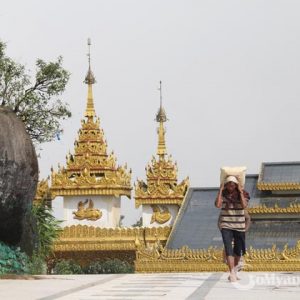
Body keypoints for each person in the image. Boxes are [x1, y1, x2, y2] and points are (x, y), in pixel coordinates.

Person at [215, 175, 250, 282]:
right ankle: (231, 273)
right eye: (229, 184)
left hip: (239, 226)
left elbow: (244, 206)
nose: (230, 186)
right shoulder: (223, 195)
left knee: (238, 251)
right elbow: (218, 205)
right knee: (228, 248)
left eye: (232, 184)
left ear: (236, 185)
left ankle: (234, 271)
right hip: (226, 225)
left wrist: (240, 192)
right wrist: (220, 190)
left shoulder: (244, 194)